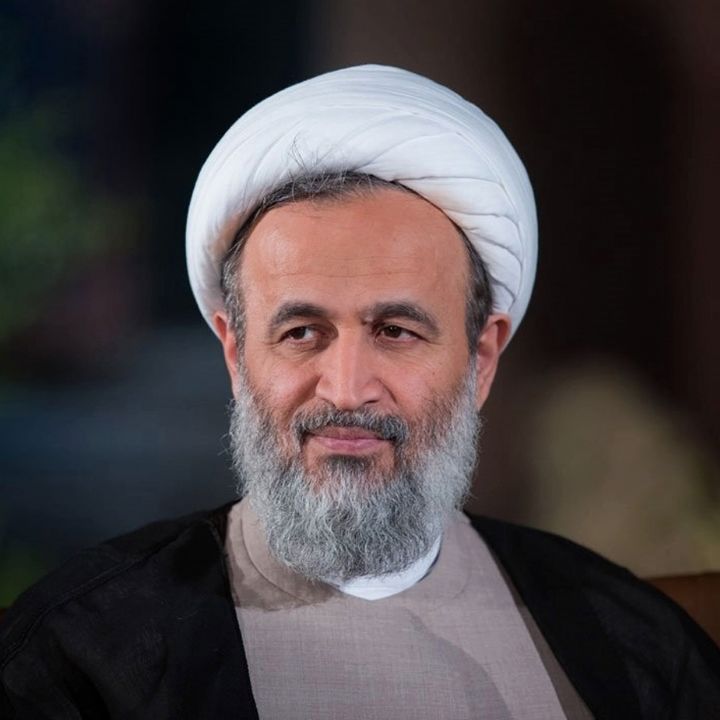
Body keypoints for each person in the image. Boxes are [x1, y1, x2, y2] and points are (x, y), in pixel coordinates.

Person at [1, 65, 718, 719]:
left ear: (481, 360)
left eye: (396, 331)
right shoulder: (78, 655)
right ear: (235, 354)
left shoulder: (637, 642)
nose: (346, 389)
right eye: (302, 333)